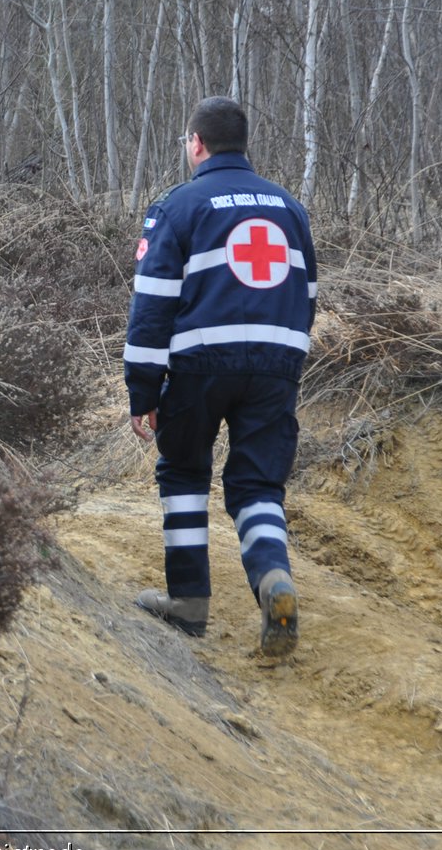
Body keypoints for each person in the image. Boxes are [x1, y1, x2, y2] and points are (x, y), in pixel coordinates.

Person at [123, 97, 317, 657]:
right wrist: (284, 365)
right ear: (243, 143)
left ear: (197, 142)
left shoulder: (178, 206)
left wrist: (143, 389)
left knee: (183, 473)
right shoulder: (290, 208)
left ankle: (188, 605)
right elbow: (307, 297)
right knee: (257, 486)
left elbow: (153, 305)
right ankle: (273, 581)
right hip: (277, 363)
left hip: (200, 365)